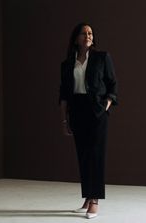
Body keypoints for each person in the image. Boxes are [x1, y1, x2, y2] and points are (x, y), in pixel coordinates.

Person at [59, 22, 118, 219]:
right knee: (83, 156)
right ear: (76, 38)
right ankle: (87, 198)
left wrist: (106, 106)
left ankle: (95, 201)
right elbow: (64, 94)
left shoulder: (102, 58)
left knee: (96, 156)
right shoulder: (67, 64)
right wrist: (65, 120)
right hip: (77, 111)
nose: (88, 35)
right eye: (84, 33)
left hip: (97, 111)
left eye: (91, 32)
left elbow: (112, 85)